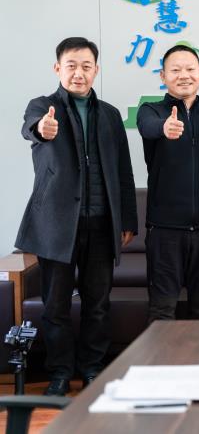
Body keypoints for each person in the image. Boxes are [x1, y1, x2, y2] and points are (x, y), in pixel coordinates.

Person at [15, 37, 137, 395]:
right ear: (58, 68)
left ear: (96, 70)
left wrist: (127, 219)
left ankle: (93, 369)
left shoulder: (110, 115)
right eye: (71, 66)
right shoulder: (42, 107)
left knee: (97, 305)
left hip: (101, 223)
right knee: (55, 306)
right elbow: (32, 127)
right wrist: (42, 128)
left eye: (86, 66)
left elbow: (124, 170)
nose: (78, 73)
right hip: (56, 225)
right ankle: (59, 374)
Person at [137, 45, 199, 322]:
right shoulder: (151, 111)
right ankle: (159, 354)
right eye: (175, 70)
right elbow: (147, 127)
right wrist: (164, 128)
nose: (184, 75)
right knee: (162, 310)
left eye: (190, 69)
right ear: (163, 76)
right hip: (165, 229)